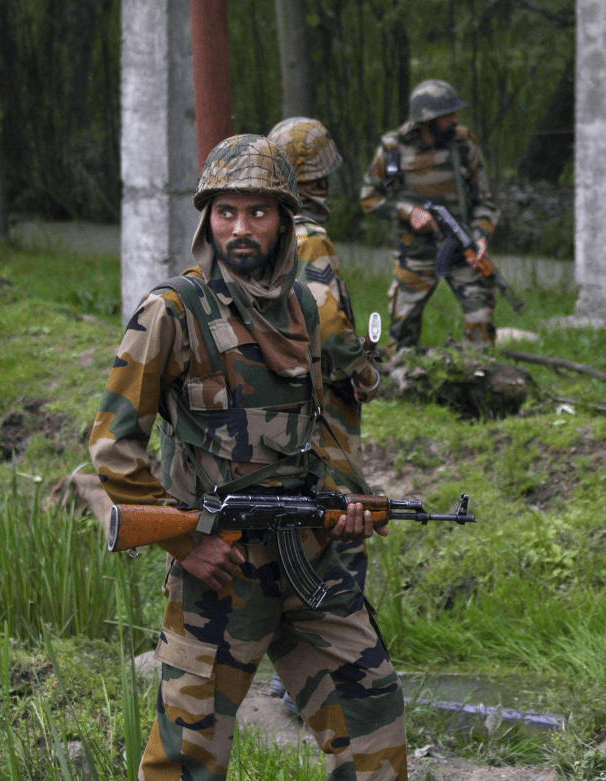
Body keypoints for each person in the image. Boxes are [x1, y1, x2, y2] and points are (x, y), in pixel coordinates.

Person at [89, 134, 407, 781]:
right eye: (226, 211)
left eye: (258, 212)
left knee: (375, 727)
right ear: (207, 218)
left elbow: (322, 435)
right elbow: (112, 445)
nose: (240, 227)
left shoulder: (305, 311)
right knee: (187, 762)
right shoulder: (173, 310)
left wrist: (342, 508)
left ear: (285, 220)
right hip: (218, 573)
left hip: (308, 565)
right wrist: (185, 546)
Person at [268, 116, 379, 591]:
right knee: (341, 535)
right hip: (321, 411)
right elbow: (330, 327)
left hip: (274, 411)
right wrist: (364, 372)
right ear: (311, 178)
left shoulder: (262, 233)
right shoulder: (308, 236)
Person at [360, 79, 500, 350]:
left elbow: (485, 202)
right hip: (416, 255)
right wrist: (408, 212)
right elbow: (369, 198)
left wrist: (481, 236)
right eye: (448, 115)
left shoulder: (464, 144)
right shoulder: (393, 149)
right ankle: (402, 382)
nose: (455, 119)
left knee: (482, 321)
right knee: (401, 337)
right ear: (427, 120)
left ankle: (476, 377)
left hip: (464, 252)